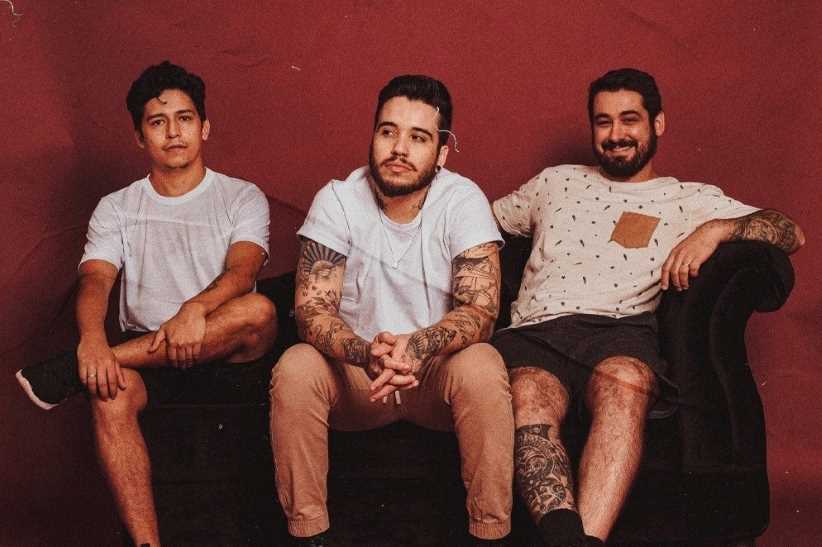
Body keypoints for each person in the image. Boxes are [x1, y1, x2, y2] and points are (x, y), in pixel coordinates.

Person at [490, 67, 805, 546]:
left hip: (620, 333)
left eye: (629, 119)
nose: (615, 134)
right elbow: (473, 227)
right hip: (536, 331)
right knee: (529, 391)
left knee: (627, 383)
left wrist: (716, 229)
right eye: (603, 122)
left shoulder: (686, 198)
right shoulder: (554, 182)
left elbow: (790, 233)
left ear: (658, 123)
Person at [15, 61, 276, 546]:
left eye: (185, 118)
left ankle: (72, 370)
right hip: (149, 358)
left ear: (204, 127)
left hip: (227, 350)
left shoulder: (241, 196)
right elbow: (95, 278)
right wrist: (92, 339)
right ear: (139, 137)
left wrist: (194, 310)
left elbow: (244, 272)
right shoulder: (118, 207)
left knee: (259, 312)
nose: (174, 133)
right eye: (158, 122)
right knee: (109, 395)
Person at [269, 75, 514, 546]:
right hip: (360, 374)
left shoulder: (463, 199)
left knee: (484, 364)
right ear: (373, 135)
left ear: (441, 153)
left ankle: (490, 534)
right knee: (296, 366)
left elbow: (481, 309)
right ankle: (309, 535)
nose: (399, 148)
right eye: (388, 131)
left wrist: (417, 346)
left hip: (434, 373)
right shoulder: (338, 198)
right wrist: (366, 353)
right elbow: (312, 310)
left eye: (418, 137)